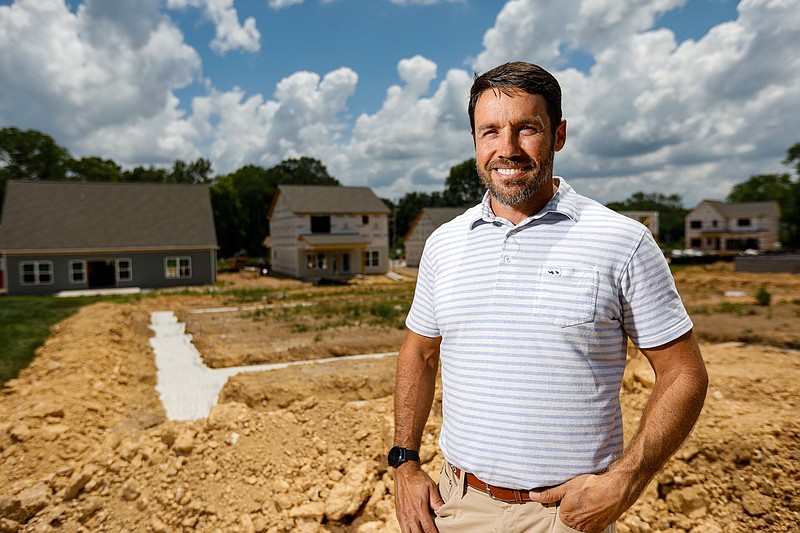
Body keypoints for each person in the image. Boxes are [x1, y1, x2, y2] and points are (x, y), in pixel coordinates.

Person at [389, 61, 708, 533]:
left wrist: (624, 482)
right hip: (456, 506)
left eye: (526, 129)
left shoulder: (622, 242)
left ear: (558, 135)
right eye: (490, 132)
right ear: (475, 143)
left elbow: (684, 372)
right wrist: (405, 462)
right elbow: (419, 352)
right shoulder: (444, 244)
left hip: (567, 516)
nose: (507, 149)